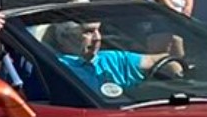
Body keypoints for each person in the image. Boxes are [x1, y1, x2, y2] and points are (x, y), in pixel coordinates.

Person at [48, 20, 183, 95]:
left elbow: (157, 61)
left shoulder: (113, 59)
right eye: (88, 32)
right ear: (64, 38)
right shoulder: (56, 68)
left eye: (98, 31)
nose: (97, 39)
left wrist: (176, 71)